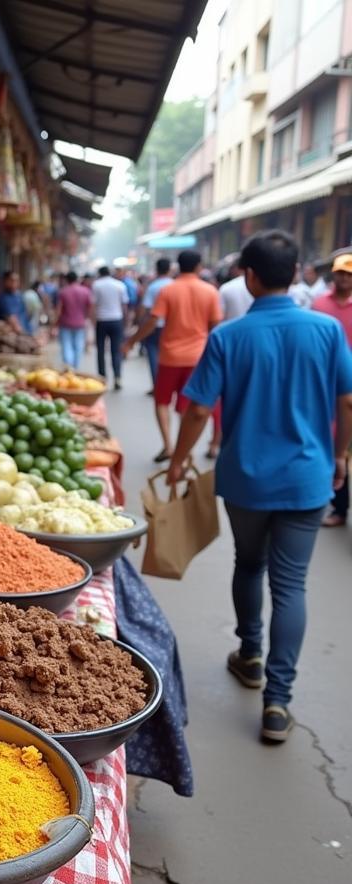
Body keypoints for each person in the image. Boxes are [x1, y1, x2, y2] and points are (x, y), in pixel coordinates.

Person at [167, 230, 352, 744]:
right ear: (296, 274)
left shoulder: (228, 336)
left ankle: (249, 655)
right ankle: (277, 703)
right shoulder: (327, 330)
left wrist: (179, 463)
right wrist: (340, 456)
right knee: (291, 585)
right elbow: (348, 401)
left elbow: (199, 407)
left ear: (247, 277)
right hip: (309, 478)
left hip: (246, 480)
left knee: (249, 563)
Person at [125, 249, 222, 462]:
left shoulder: (169, 291)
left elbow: (152, 321)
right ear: (199, 267)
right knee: (187, 406)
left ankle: (168, 445)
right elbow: (216, 326)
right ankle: (182, 449)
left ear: (178, 267)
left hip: (169, 356)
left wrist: (131, 342)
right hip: (197, 357)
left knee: (162, 402)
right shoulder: (210, 292)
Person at [312, 253, 352, 526]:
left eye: (349, 274)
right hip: (325, 383)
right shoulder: (318, 304)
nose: (344, 278)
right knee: (332, 440)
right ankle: (338, 506)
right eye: (341, 273)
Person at [134, 258, 172, 391]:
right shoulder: (174, 285)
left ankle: (158, 385)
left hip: (154, 326)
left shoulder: (153, 287)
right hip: (170, 327)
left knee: (153, 354)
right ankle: (167, 385)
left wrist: (139, 322)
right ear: (169, 269)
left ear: (157, 269)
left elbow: (145, 308)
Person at [90, 266, 129, 389]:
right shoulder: (119, 285)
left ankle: (102, 378)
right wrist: (126, 322)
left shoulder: (96, 285)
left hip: (102, 320)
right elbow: (124, 306)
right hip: (116, 320)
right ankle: (117, 377)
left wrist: (93, 322)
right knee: (116, 351)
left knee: (100, 350)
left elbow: (93, 306)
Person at [54, 271, 91, 368]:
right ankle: (75, 366)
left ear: (67, 280)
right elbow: (89, 307)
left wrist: (55, 324)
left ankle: (68, 366)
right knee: (78, 346)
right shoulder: (85, 291)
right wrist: (86, 318)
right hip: (80, 323)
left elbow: (59, 309)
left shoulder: (63, 292)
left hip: (65, 323)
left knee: (66, 345)